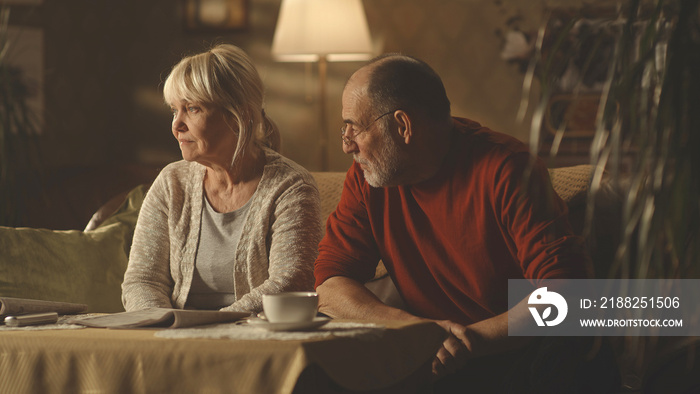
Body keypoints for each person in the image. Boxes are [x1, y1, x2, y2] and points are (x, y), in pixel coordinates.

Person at [314, 54, 618, 392]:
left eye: (354, 127)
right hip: (440, 357)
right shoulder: (367, 177)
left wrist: (465, 342)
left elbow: (565, 296)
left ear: (402, 126)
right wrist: (414, 329)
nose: (346, 144)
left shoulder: (507, 168)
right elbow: (330, 283)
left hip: (524, 352)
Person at [122, 44, 322, 314]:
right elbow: (142, 280)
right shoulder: (172, 182)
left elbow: (290, 283)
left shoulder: (291, 187)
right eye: (174, 110)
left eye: (192, 109)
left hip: (254, 341)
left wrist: (210, 328)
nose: (176, 124)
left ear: (239, 116)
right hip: (175, 338)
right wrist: (164, 326)